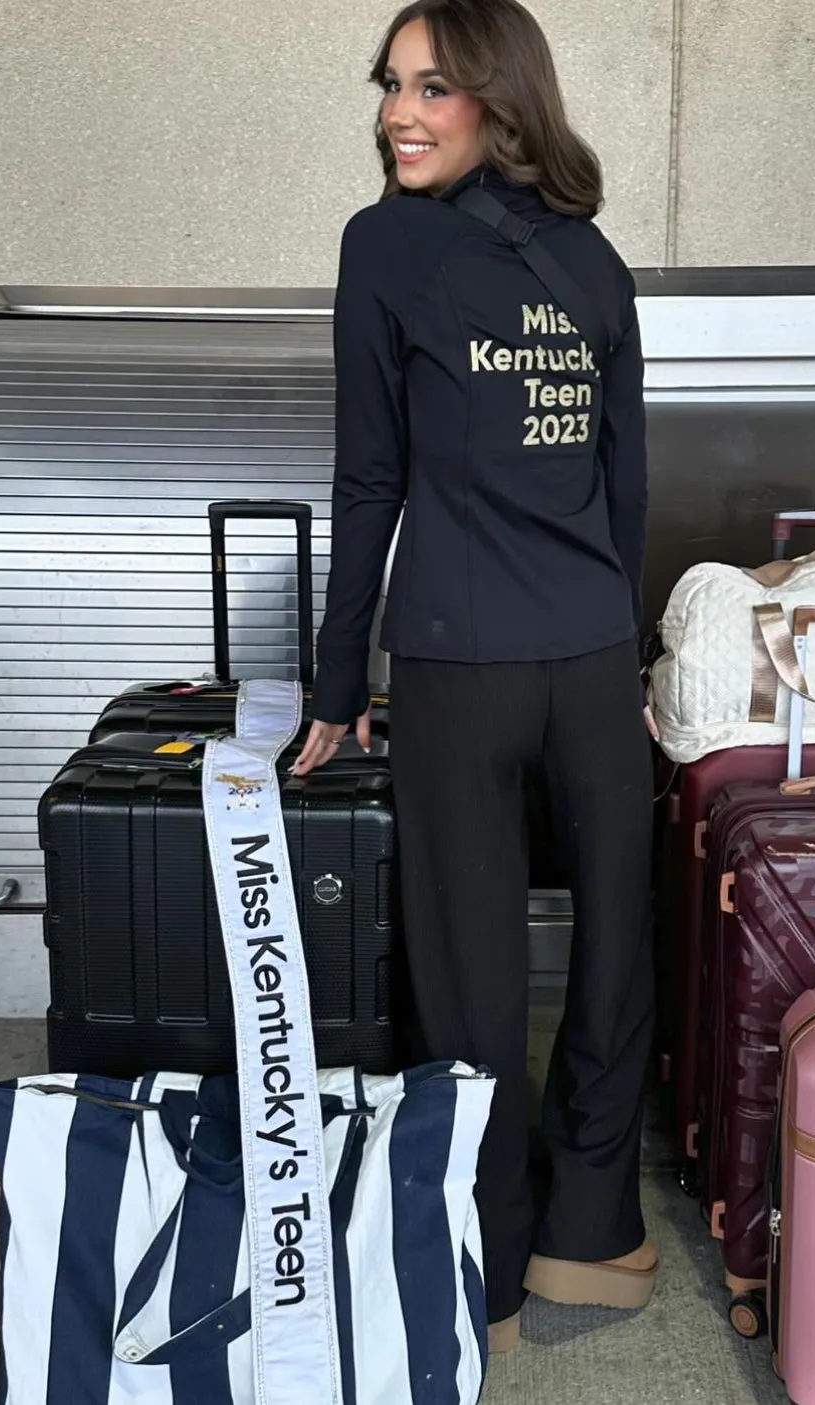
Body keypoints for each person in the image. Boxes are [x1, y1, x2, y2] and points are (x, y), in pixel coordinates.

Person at [292, 0, 657, 1353]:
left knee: (469, 978)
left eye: (432, 87)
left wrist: (336, 688)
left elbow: (371, 479)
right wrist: (620, 652)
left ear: (500, 100)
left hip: (458, 662)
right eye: (390, 85)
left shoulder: (384, 248)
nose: (399, 112)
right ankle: (592, 1239)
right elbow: (623, 483)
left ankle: (484, 1272)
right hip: (587, 657)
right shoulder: (594, 260)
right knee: (612, 952)